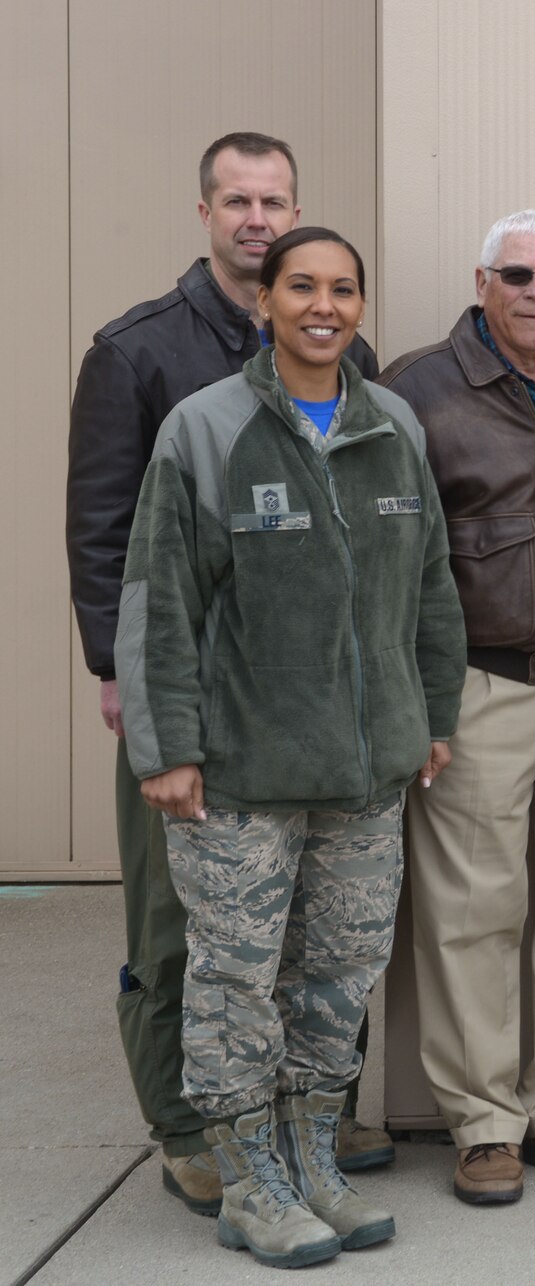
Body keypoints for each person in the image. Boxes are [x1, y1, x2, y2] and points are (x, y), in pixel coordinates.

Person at [115, 226, 464, 1267]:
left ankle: (313, 1159)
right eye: (301, 286)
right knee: (234, 980)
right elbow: (158, 599)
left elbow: (431, 591)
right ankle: (248, 1181)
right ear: (263, 300)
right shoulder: (207, 427)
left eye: (343, 289)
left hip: (366, 775)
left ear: (362, 305)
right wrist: (165, 746)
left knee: (339, 974)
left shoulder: (392, 422)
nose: (324, 304)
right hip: (240, 773)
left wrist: (430, 716)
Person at [65, 132, 388, 1218]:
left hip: (307, 709)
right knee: (181, 925)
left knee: (310, 924)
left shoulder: (350, 354)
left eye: (276, 200)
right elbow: (108, 533)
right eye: (239, 200)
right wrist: (125, 682)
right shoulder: (140, 352)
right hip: (189, 698)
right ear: (204, 210)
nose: (257, 217)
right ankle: (190, 1130)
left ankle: (305, 1120)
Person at [381, 210, 535, 1205]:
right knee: (471, 916)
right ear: (480, 281)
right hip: (475, 685)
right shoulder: (413, 389)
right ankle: (484, 1124)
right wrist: (417, 700)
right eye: (517, 273)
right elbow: (388, 556)